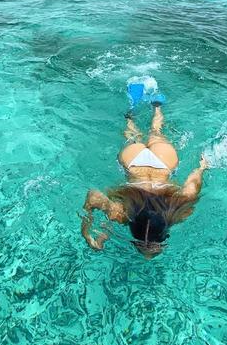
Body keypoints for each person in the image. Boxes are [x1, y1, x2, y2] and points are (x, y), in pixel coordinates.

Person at [81, 98, 209, 257]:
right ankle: (131, 116)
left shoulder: (178, 210)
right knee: (133, 135)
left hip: (164, 162)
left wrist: (201, 168)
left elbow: (191, 187)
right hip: (133, 163)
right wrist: (88, 231)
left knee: (156, 132)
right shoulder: (121, 214)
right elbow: (93, 196)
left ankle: (157, 106)